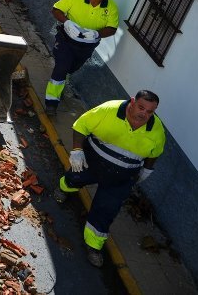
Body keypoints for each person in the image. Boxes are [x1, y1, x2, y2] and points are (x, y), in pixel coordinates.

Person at [54, 91, 165, 267]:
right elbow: (81, 125)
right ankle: (63, 188)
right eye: (141, 107)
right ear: (133, 101)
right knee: (74, 178)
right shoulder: (109, 109)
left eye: (150, 111)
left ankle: (93, 245)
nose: (144, 114)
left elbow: (155, 153)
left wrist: (146, 171)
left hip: (122, 177)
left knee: (106, 210)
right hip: (93, 162)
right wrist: (76, 151)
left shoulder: (156, 130)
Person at [44, 0, 119, 115]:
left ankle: (60, 79)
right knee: (62, 67)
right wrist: (66, 22)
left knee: (71, 69)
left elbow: (112, 29)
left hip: (86, 46)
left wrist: (97, 34)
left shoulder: (111, 8)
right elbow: (56, 10)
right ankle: (51, 103)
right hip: (66, 40)